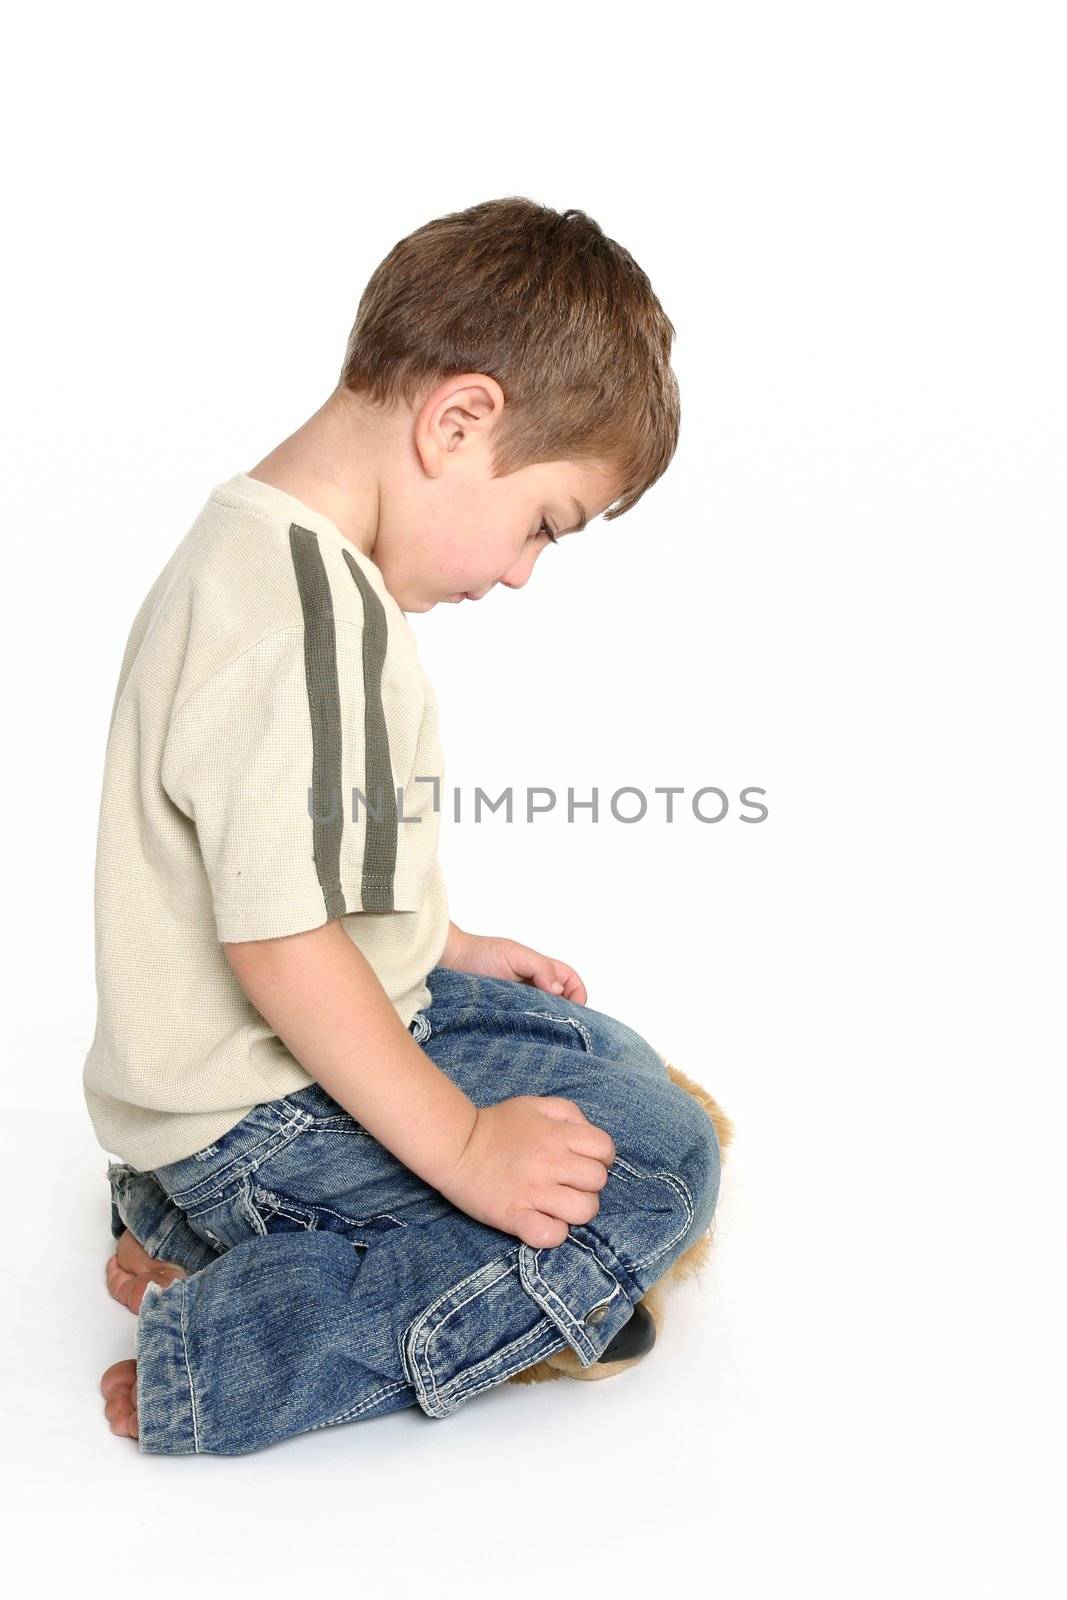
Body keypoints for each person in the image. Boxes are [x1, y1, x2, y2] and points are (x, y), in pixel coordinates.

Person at [87, 196, 723, 1455]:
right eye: (543, 523)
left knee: (608, 1056)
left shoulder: (277, 559)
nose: (520, 571)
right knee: (660, 1161)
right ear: (459, 419)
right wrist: (470, 1146)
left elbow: (288, 864)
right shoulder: (305, 622)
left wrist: (442, 937)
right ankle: (233, 1349)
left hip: (247, 1070)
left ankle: (172, 1225)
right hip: (253, 1112)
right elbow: (277, 944)